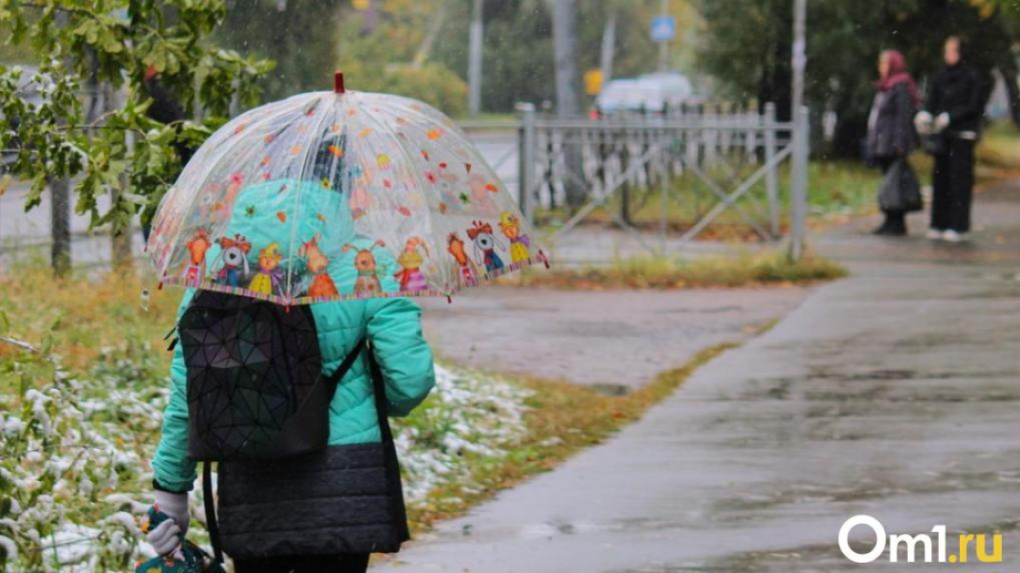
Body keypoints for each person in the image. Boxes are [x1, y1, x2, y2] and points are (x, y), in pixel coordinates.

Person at [144, 178, 436, 573]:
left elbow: (188, 394)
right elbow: (410, 378)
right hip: (345, 479)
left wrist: (170, 489)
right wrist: (369, 403)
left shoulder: (220, 265)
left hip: (250, 471)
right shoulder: (368, 260)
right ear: (341, 183)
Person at [915, 36, 982, 242]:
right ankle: (938, 222)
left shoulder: (971, 77)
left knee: (959, 181)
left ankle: (958, 225)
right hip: (942, 137)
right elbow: (933, 99)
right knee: (940, 180)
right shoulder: (941, 77)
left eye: (953, 51)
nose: (948, 55)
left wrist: (951, 117)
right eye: (947, 51)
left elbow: (973, 106)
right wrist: (926, 112)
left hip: (962, 136)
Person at [867, 50, 920, 236]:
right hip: (883, 142)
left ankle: (896, 221)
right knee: (890, 182)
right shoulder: (886, 87)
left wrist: (900, 143)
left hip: (893, 143)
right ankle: (890, 220)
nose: (881, 68)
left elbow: (903, 117)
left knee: (895, 183)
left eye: (884, 64)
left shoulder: (900, 86)